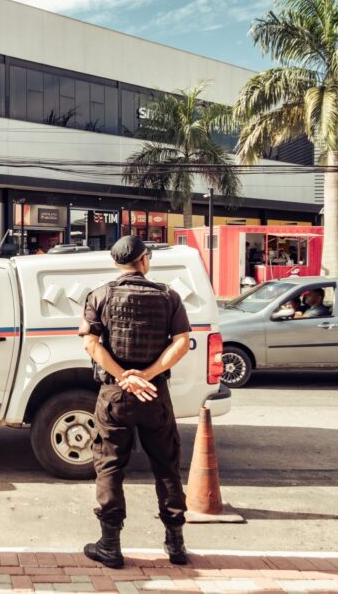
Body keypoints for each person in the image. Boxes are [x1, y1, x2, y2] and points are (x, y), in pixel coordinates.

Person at [78, 235, 192, 569]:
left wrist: (124, 377)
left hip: (115, 395)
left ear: (116, 263)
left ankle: (110, 545)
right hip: (154, 394)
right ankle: (176, 544)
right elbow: (182, 342)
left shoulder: (99, 295)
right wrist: (148, 375)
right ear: (144, 260)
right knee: (166, 466)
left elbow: (91, 345)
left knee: (110, 465)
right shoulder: (168, 295)